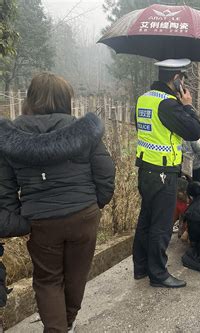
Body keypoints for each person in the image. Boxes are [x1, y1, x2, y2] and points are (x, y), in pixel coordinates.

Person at [0, 72, 115, 332]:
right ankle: (68, 323)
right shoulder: (84, 130)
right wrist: (96, 202)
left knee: (48, 280)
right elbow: (105, 170)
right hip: (83, 216)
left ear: (30, 99)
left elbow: (4, 188)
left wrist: (20, 221)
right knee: (76, 276)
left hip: (41, 221)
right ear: (66, 100)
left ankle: (57, 328)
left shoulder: (11, 137)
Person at [133, 58, 200, 288]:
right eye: (182, 80)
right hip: (163, 172)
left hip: (145, 170)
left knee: (146, 220)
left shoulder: (144, 99)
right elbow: (193, 131)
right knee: (161, 225)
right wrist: (188, 106)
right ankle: (158, 274)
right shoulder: (168, 104)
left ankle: (141, 267)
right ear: (175, 79)